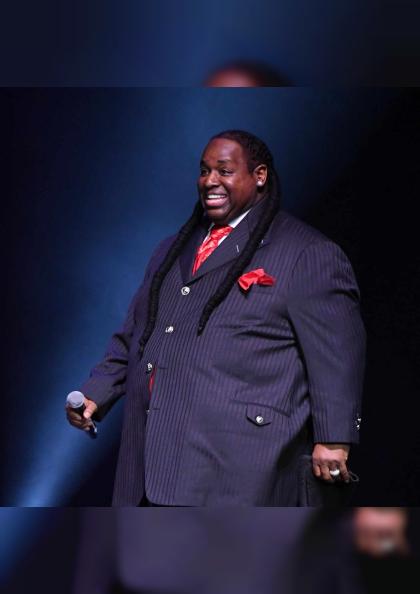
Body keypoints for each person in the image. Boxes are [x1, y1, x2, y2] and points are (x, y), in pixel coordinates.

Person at [66, 129, 366, 506]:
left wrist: (334, 438)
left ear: (259, 176)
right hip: (149, 458)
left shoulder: (306, 252)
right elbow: (136, 334)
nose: (210, 181)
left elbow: (337, 353)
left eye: (224, 171)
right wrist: (96, 393)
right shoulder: (171, 250)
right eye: (204, 171)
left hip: (238, 466)